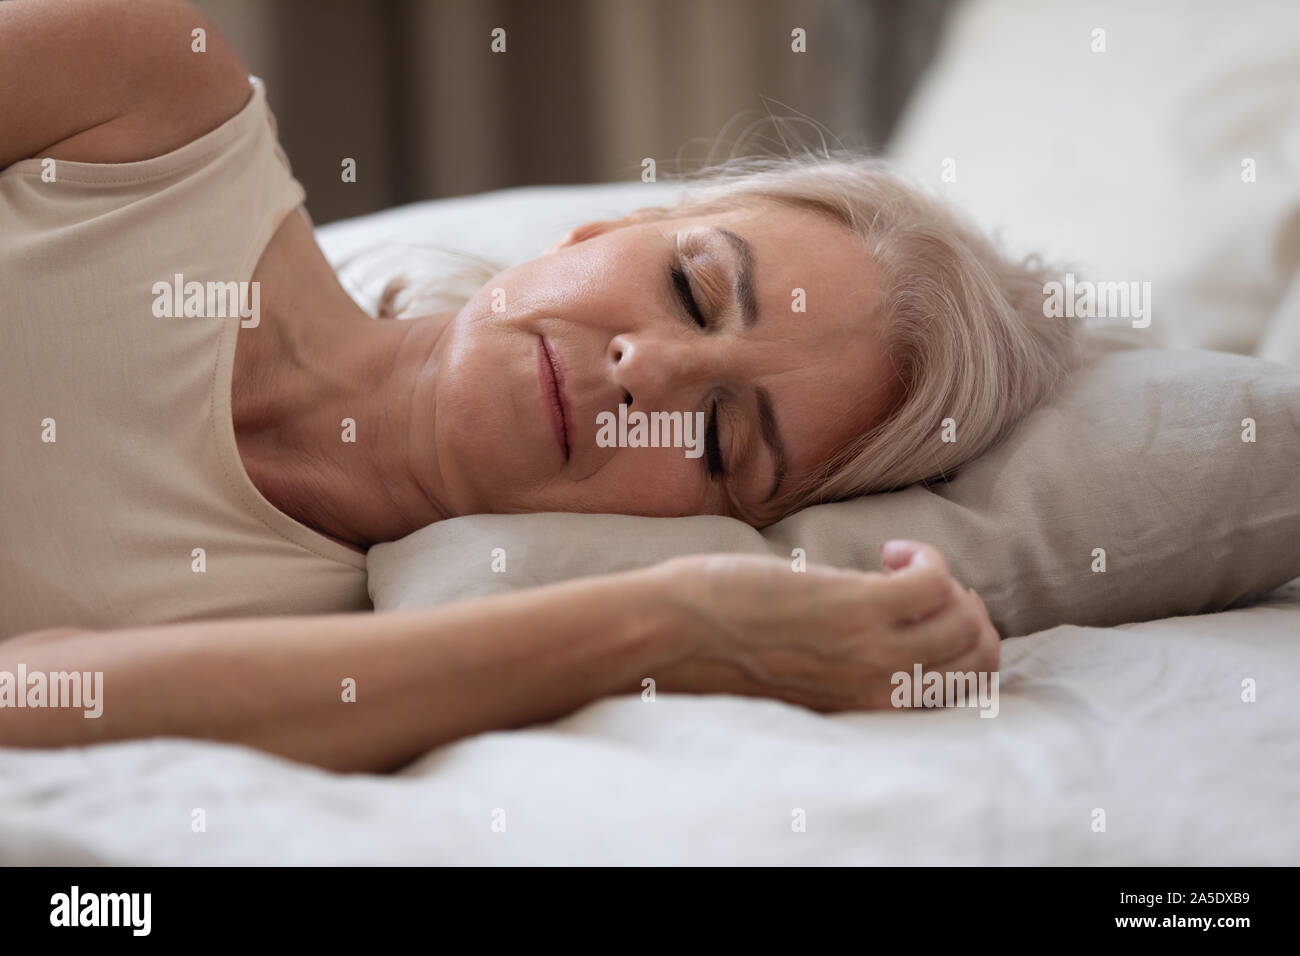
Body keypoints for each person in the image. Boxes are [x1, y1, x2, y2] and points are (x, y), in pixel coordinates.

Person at [0, 0, 1073, 772]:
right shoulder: (149, 104)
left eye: (715, 440)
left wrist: (683, 625)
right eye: (693, 292)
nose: (647, 372)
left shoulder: (331, 657)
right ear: (601, 230)